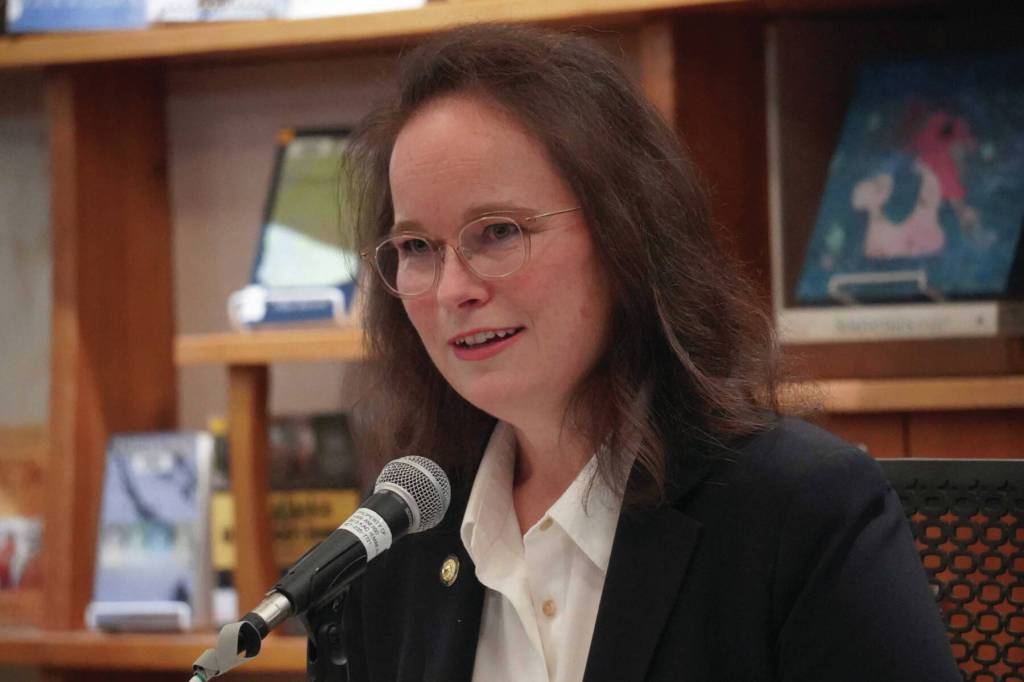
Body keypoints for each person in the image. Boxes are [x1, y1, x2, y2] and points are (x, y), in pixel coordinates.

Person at [339, 23, 960, 682]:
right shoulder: (400, 536)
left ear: (624, 232)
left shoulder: (796, 511)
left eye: (497, 231)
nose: (453, 289)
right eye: (416, 248)